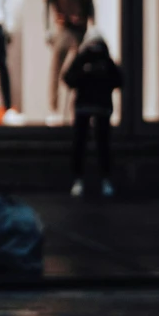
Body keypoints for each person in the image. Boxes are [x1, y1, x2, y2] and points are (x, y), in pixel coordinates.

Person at [63, 30, 122, 197]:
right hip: (96, 106)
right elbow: (119, 80)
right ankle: (97, 179)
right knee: (96, 144)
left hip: (91, 105)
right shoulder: (95, 59)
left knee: (88, 144)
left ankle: (86, 179)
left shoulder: (92, 59)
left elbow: (68, 78)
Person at [43, 0, 96, 120]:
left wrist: (92, 28)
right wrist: (47, 29)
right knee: (56, 69)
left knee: (79, 71)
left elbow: (90, 4)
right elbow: (47, 4)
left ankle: (75, 109)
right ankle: (54, 109)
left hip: (80, 29)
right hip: (62, 28)